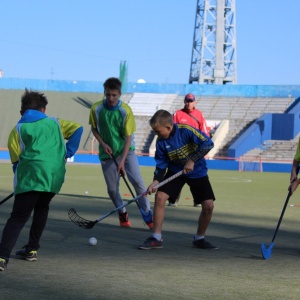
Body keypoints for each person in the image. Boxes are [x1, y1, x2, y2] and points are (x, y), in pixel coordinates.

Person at [0, 89, 83, 271]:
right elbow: (78, 128)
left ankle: (2, 256)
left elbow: (16, 163)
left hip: (31, 177)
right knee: (42, 207)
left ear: (22, 112)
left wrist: (22, 183)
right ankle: (31, 249)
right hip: (54, 177)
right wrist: (68, 152)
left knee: (18, 217)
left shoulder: (18, 129)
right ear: (44, 110)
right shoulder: (55, 122)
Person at [138, 109, 218, 250]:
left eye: (158, 131)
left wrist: (192, 160)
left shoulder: (186, 130)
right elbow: (161, 164)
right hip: (176, 172)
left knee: (208, 206)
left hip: (197, 172)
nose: (157, 135)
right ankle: (156, 238)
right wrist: (156, 181)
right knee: (160, 196)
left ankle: (199, 238)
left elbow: (208, 143)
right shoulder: (161, 142)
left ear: (168, 127)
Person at [89, 77, 153, 229]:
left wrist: (122, 161)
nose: (110, 98)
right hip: (107, 154)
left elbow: (128, 138)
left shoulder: (125, 111)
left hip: (126, 151)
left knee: (137, 182)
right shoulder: (96, 109)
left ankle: (147, 214)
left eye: (114, 95)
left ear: (119, 94)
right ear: (104, 93)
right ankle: (122, 213)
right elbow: (94, 128)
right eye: (108, 94)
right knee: (112, 190)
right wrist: (103, 144)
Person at [170, 93, 209, 207]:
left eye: (191, 101)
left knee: (196, 176)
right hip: (180, 150)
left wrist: (203, 150)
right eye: (187, 101)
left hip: (195, 150)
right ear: (184, 101)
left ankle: (198, 200)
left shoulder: (199, 114)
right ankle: (173, 199)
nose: (188, 103)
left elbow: (204, 132)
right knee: (177, 174)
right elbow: (172, 131)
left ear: (194, 102)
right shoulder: (177, 114)